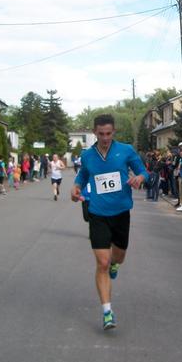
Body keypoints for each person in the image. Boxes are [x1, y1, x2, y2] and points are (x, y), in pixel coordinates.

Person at [71, 114, 148, 330]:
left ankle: (115, 263)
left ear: (113, 132)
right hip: (97, 213)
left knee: (118, 257)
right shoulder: (87, 155)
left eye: (108, 133)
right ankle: (107, 312)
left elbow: (144, 171)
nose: (105, 138)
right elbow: (83, 176)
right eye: (101, 134)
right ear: (94, 132)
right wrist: (76, 187)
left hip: (121, 212)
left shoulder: (126, 150)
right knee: (102, 263)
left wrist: (140, 178)